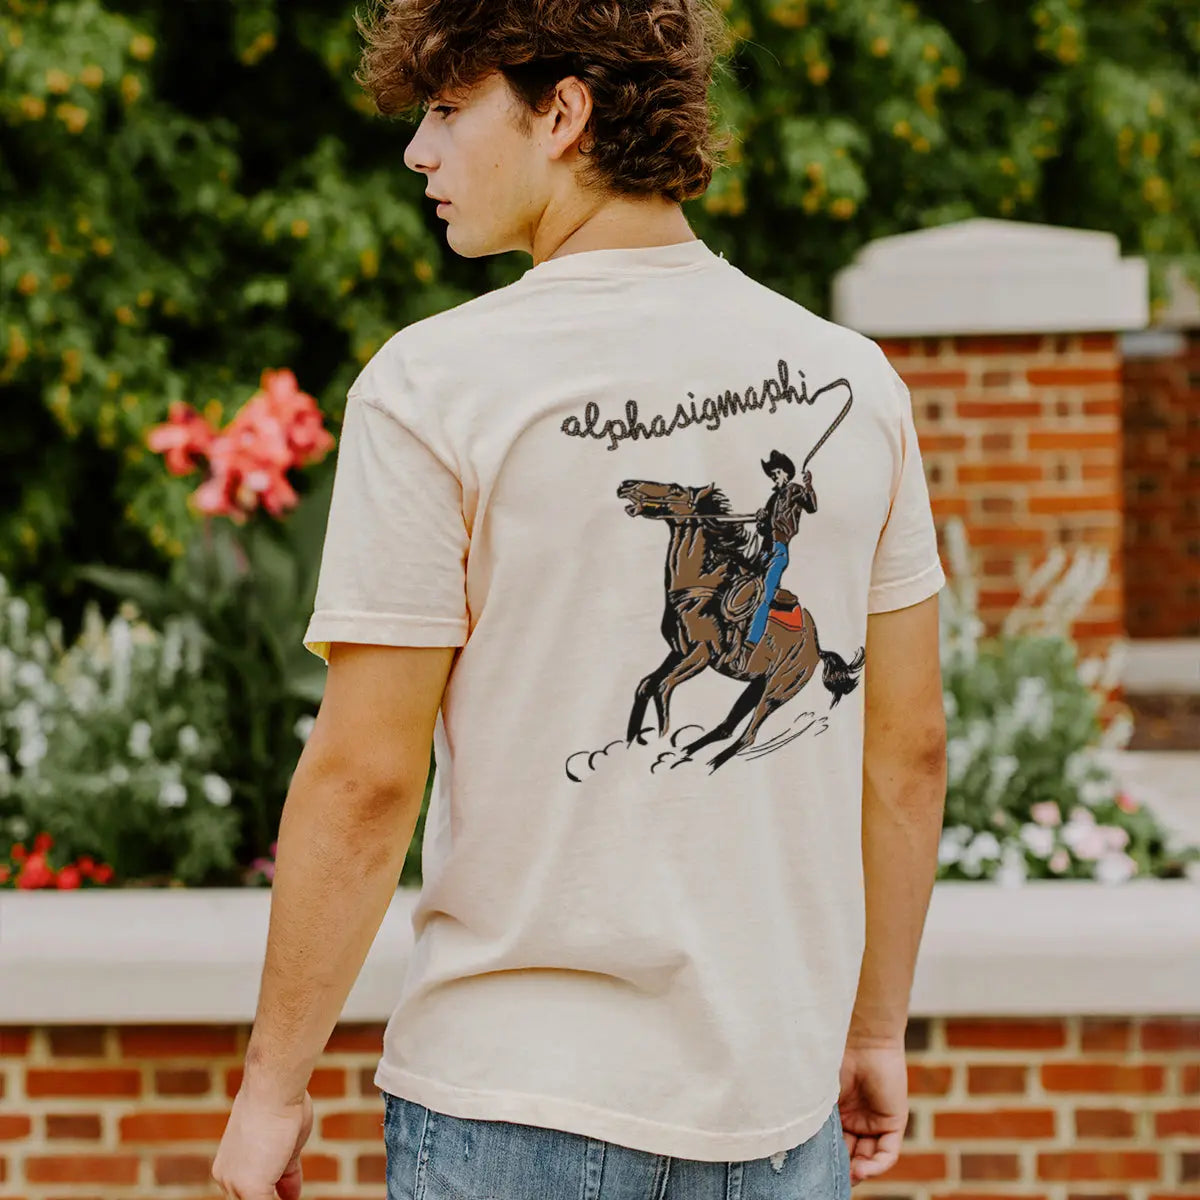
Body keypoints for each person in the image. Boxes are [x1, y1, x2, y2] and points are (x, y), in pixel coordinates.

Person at [211, 2, 949, 1198]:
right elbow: (908, 752)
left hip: (511, 1107)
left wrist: (272, 1089)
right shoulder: (858, 381)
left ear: (562, 112)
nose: (419, 151)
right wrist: (873, 1029)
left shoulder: (432, 385)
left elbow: (365, 781)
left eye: (449, 109)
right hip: (774, 1109)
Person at [731, 449, 818, 674]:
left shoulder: (794, 490)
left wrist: (808, 485)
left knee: (764, 597)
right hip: (765, 550)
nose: (774, 476)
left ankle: (748, 651)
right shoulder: (773, 498)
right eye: (772, 474)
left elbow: (811, 507)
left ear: (786, 473)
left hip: (779, 550)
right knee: (742, 585)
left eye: (776, 472)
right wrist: (761, 520)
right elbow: (764, 529)